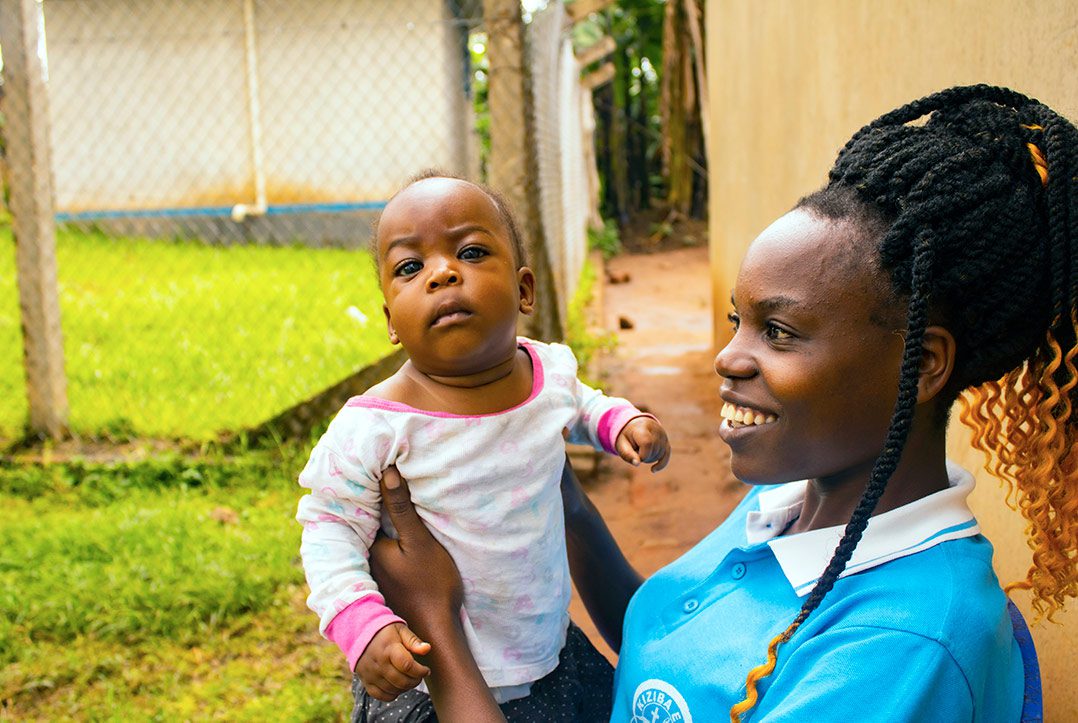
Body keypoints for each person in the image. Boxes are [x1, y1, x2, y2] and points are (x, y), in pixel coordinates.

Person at [366, 84, 1078, 722]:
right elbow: (677, 664)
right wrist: (565, 502)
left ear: (920, 364)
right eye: (738, 320)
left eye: (779, 330)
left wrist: (440, 621)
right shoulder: (800, 494)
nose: (728, 357)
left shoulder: (902, 644)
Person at [295, 171, 671, 721]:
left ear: (524, 290)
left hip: (551, 654)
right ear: (391, 322)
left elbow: (583, 405)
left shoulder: (547, 372)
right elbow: (329, 529)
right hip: (429, 683)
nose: (442, 273)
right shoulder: (374, 428)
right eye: (409, 267)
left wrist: (624, 424)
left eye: (470, 252)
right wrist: (363, 624)